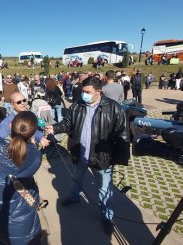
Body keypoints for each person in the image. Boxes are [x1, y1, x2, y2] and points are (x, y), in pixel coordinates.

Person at [45, 76, 130, 235]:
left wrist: (119, 156)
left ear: (99, 91)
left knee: (104, 188)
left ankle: (106, 216)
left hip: (102, 155)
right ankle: (74, 196)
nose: (83, 94)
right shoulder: (77, 105)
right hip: (80, 152)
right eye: (83, 91)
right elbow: (68, 124)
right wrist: (55, 128)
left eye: (87, 92)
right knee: (76, 178)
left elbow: (122, 135)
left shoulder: (113, 108)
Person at [0, 111, 42, 245]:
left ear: (10, 126)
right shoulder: (35, 156)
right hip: (21, 222)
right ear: (32, 133)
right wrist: (31, 143)